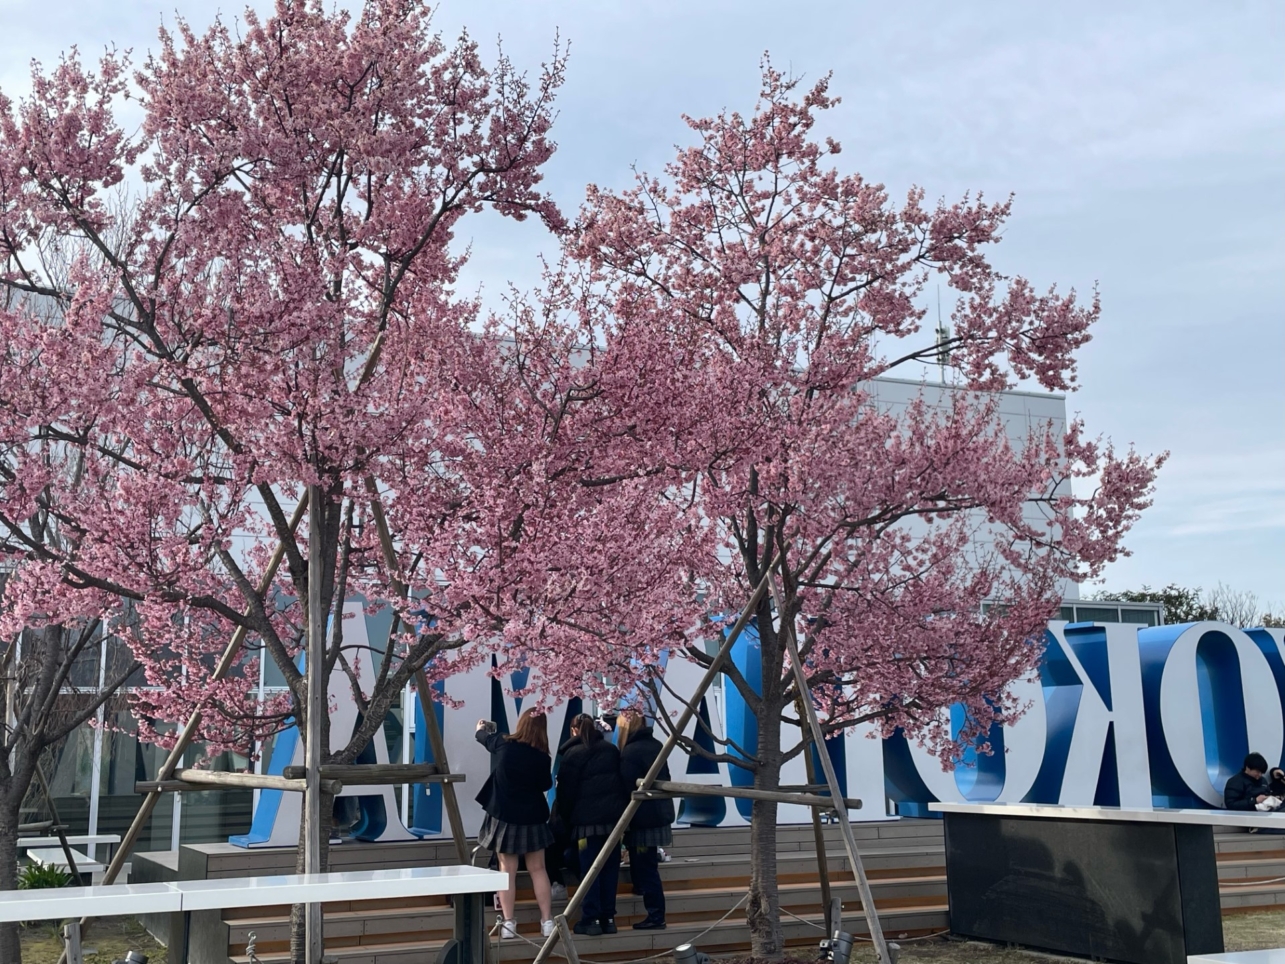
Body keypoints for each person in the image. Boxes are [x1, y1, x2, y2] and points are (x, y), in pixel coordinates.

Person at [475, 709, 556, 940]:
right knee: (538, 869)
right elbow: (545, 785)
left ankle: (509, 924)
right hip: (533, 818)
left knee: (506, 871)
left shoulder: (504, 743)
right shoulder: (542, 757)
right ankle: (547, 921)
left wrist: (480, 728)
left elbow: (483, 738)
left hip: (504, 817)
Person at [556, 714, 627, 936]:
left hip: (585, 825)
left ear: (573, 730)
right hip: (612, 825)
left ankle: (591, 918)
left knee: (589, 871)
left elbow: (564, 795)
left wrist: (566, 821)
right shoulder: (611, 751)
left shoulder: (572, 754)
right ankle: (608, 918)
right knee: (609, 870)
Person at [618, 709, 675, 930]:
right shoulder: (656, 745)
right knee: (647, 864)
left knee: (646, 868)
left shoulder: (630, 751)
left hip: (642, 819)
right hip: (659, 813)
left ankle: (656, 914)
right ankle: (651, 905)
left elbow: (625, 786)